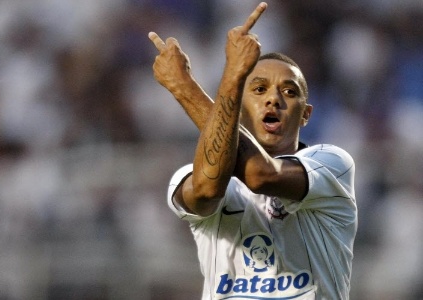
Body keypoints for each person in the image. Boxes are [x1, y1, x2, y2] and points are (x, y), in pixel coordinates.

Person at [149, 2, 357, 299]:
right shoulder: (189, 174)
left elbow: (260, 175)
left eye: (289, 91)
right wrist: (227, 81)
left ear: (306, 113)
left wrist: (187, 87)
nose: (273, 99)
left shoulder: (331, 164)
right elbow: (207, 191)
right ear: (238, 106)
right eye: (259, 89)